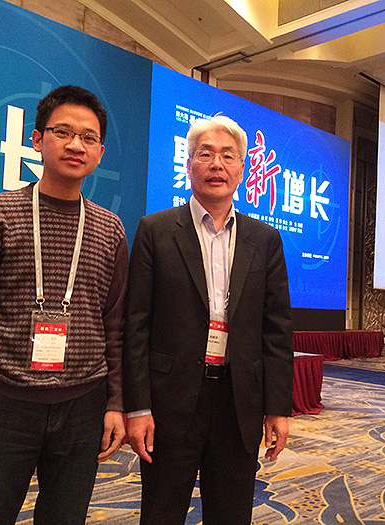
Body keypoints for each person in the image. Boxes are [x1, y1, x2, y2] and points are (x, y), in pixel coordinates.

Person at [0, 85, 127, 524]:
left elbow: (116, 325)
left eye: (88, 137)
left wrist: (116, 402)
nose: (76, 145)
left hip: (84, 407)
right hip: (3, 406)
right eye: (63, 132)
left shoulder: (111, 229)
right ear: (37, 139)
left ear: (100, 152)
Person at [123, 115, 294, 524]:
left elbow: (276, 329)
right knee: (161, 513)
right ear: (188, 165)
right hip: (171, 400)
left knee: (231, 514)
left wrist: (277, 408)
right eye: (206, 154)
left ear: (242, 169)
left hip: (238, 402)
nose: (217, 164)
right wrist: (138, 407)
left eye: (228, 156)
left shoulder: (265, 239)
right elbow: (136, 326)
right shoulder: (155, 230)